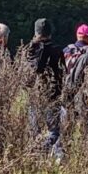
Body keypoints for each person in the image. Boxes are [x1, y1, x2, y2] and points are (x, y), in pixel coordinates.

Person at [25, 18, 66, 160]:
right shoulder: (57, 49)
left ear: (36, 32)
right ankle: (44, 151)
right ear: (50, 33)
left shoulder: (31, 49)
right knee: (54, 131)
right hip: (52, 95)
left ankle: (35, 156)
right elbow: (62, 73)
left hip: (34, 95)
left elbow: (26, 74)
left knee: (34, 130)